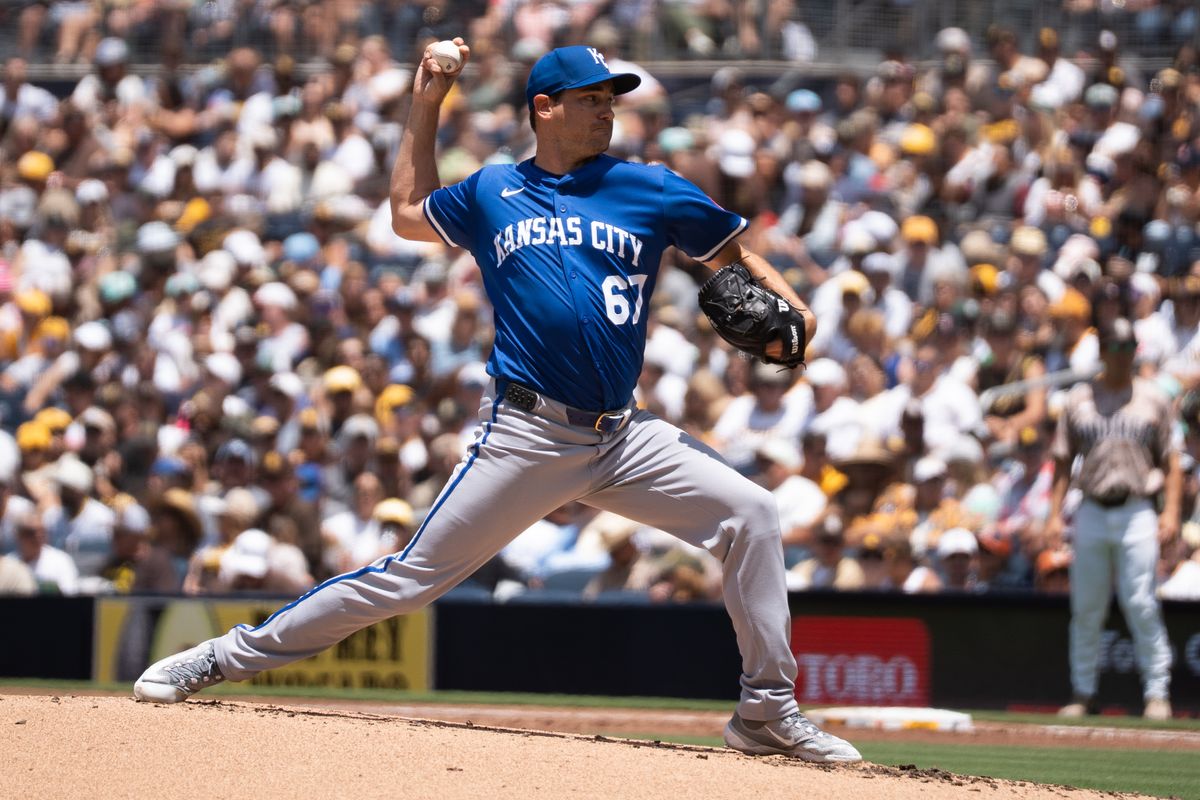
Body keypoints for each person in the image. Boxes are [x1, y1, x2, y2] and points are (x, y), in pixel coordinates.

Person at [133, 39, 859, 764]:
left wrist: (798, 307)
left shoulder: (650, 187)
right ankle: (223, 656)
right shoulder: (490, 191)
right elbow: (408, 212)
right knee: (410, 580)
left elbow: (731, 251)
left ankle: (766, 711)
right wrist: (427, 101)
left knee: (754, 514)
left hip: (622, 436)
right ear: (544, 108)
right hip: (525, 434)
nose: (607, 111)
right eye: (591, 99)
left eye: (611, 99)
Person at [1047, 319, 1178, 721]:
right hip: (1091, 507)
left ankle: (1157, 693)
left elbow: (1173, 461)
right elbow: (1062, 461)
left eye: (1127, 346)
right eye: (1113, 346)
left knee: (1141, 603)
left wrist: (1171, 511)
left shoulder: (1154, 399)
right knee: (1086, 607)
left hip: (1137, 507)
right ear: (1102, 350)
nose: (1120, 354)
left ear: (1134, 350)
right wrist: (1053, 515)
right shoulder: (1078, 400)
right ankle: (1082, 692)